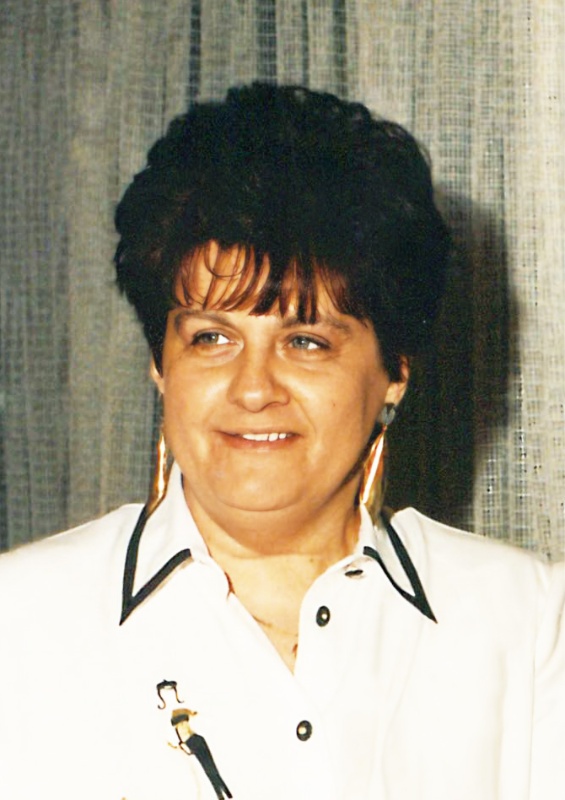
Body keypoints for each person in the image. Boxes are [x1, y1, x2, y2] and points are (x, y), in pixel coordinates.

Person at [0, 83, 563, 800]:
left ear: (394, 373)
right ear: (159, 364)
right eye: (211, 338)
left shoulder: (524, 622)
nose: (252, 388)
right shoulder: (21, 621)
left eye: (306, 341)